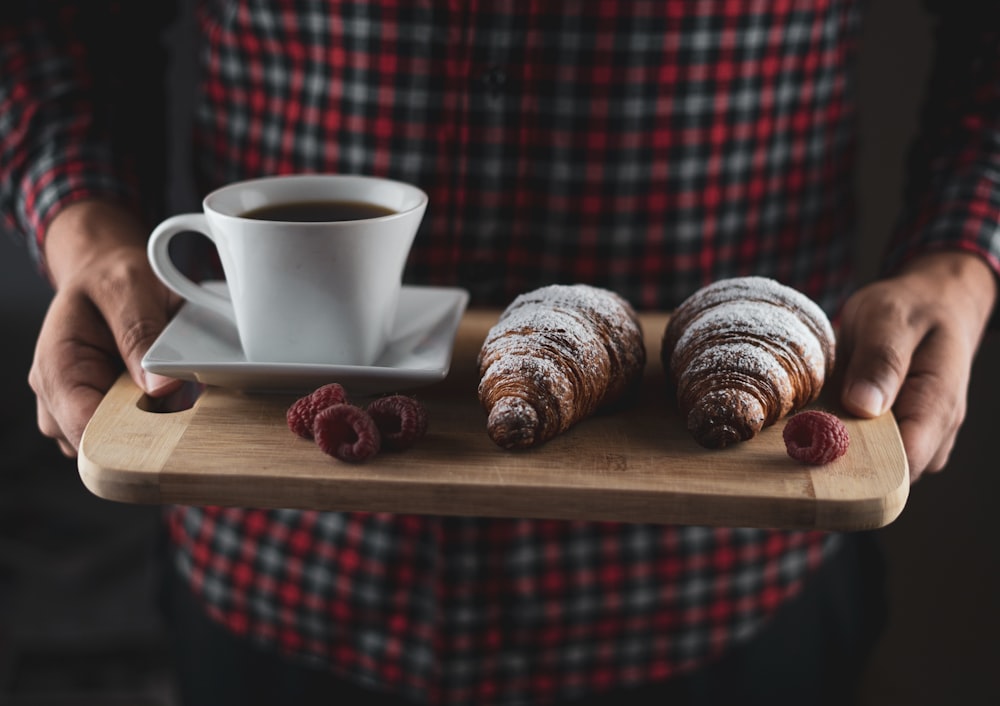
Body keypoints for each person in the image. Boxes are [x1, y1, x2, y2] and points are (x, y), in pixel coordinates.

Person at [1, 1, 997, 704]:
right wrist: (83, 224)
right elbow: (54, 23)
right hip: (277, 555)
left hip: (720, 578)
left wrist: (963, 250)